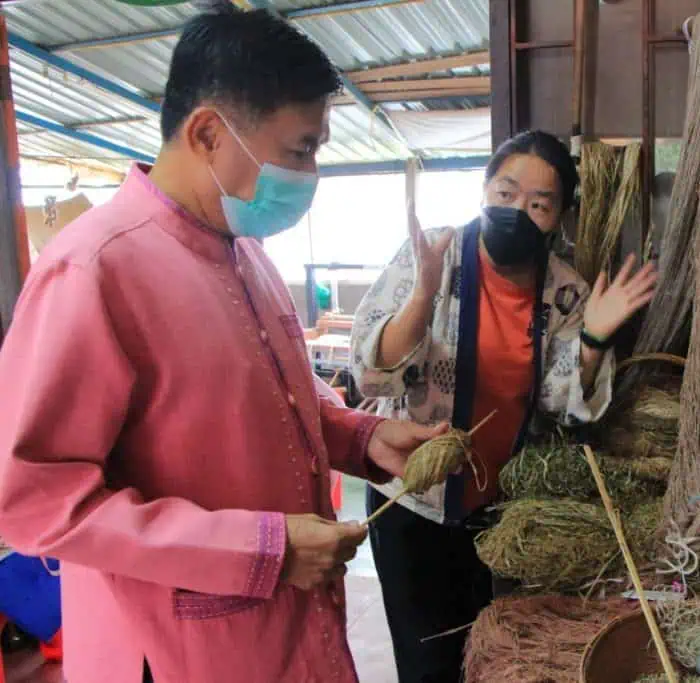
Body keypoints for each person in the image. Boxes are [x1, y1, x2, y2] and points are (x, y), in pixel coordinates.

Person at [0, 8, 440, 683]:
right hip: (182, 650)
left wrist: (361, 438)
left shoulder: (246, 255)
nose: (311, 173)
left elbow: (273, 404)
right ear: (208, 131)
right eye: (301, 149)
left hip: (286, 634)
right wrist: (259, 549)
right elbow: (36, 498)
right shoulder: (95, 270)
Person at [351, 130, 658, 681]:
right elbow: (375, 374)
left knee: (484, 650)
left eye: (540, 204)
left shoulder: (565, 291)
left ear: (560, 216)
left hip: (494, 507)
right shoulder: (437, 256)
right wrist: (422, 296)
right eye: (506, 193)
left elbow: (560, 404)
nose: (519, 211)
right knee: (425, 661)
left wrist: (591, 337)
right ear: (485, 191)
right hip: (411, 498)